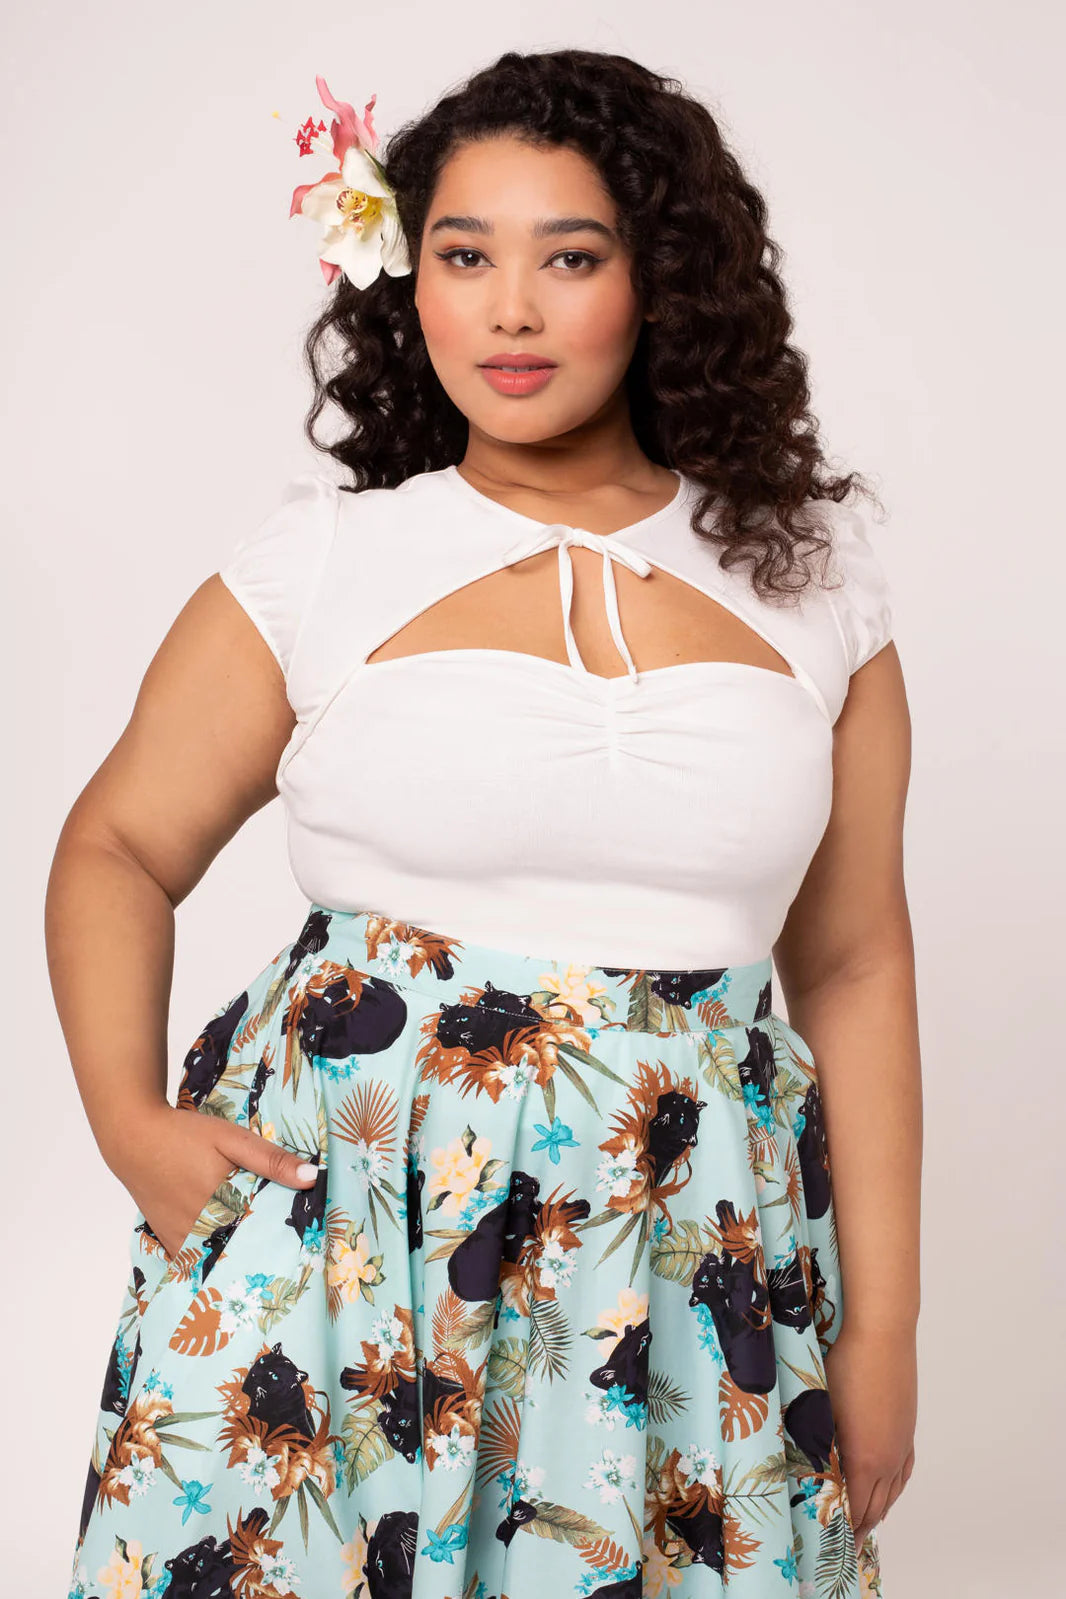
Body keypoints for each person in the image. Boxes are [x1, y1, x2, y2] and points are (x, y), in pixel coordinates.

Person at [49, 47, 920, 1599]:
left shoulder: (814, 585)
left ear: (662, 281)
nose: (509, 310)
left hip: (682, 1272)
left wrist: (884, 1329)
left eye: (567, 258)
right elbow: (115, 847)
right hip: (341, 1263)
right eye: (463, 256)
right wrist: (131, 1124)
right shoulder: (322, 566)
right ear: (410, 281)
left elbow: (852, 963)